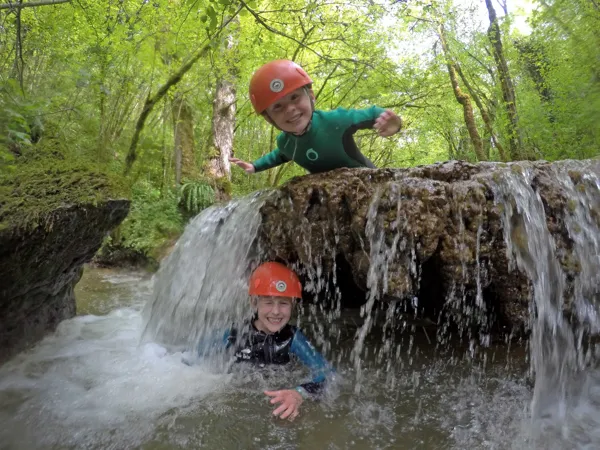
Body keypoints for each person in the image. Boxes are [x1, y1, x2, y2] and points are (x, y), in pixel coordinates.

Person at [229, 59, 403, 175]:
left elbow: (370, 114)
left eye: (295, 97)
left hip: (367, 178)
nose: (290, 109)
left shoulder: (335, 121)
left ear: (311, 96)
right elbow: (279, 155)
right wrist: (255, 166)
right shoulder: (285, 142)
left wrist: (392, 122)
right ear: (269, 118)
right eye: (278, 107)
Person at [223, 261, 333, 421]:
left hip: (277, 399)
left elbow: (327, 373)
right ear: (254, 303)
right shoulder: (234, 334)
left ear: (292, 305)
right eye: (268, 302)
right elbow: (195, 359)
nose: (276, 312)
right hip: (238, 403)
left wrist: (299, 393)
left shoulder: (293, 338)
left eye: (283, 303)